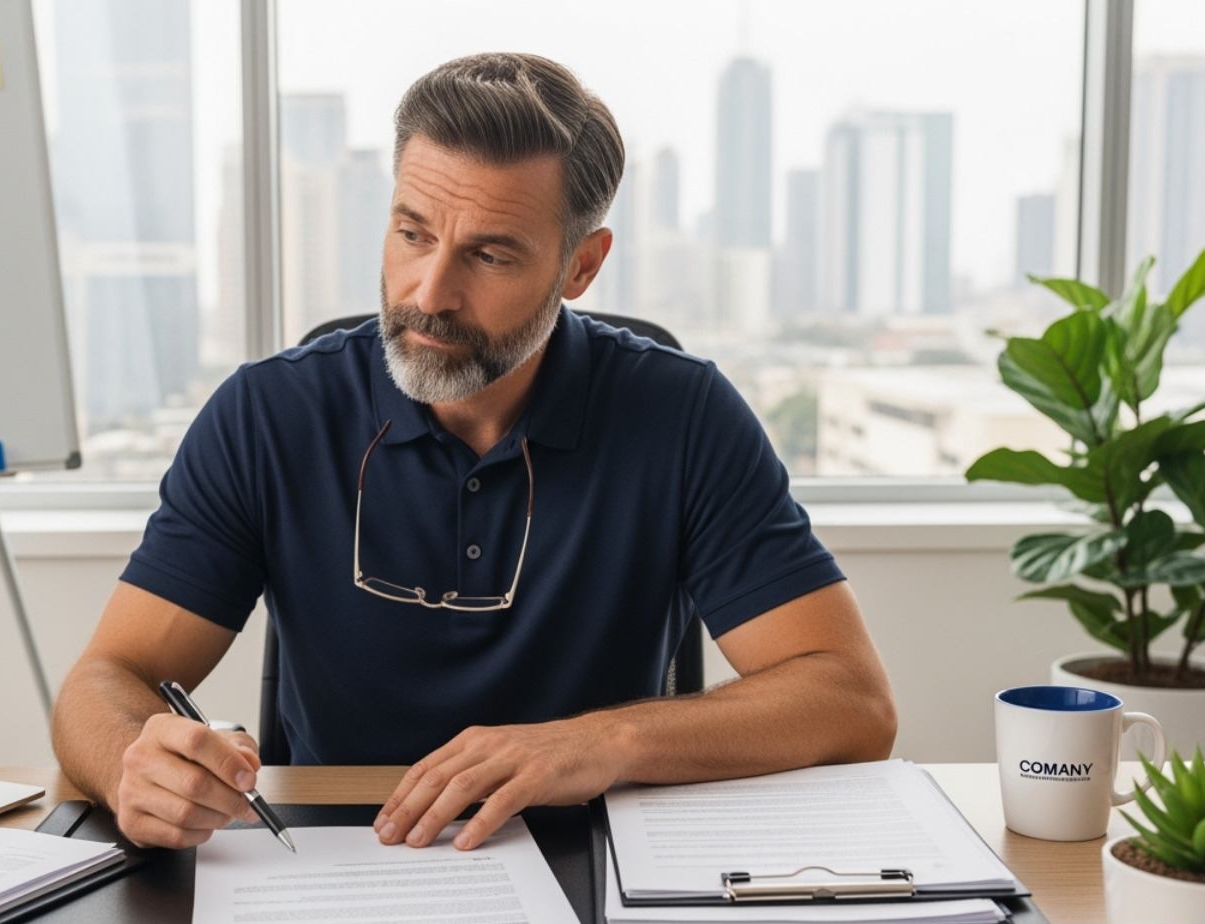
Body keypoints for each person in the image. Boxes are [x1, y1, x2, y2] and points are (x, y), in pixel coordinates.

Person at [52, 52, 895, 854]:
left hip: (598, 856)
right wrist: (138, 761)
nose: (429, 295)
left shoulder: (683, 414)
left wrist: (602, 741)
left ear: (582, 266)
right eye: (413, 234)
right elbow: (107, 678)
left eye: (489, 255)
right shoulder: (268, 413)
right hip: (330, 858)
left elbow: (851, 700)